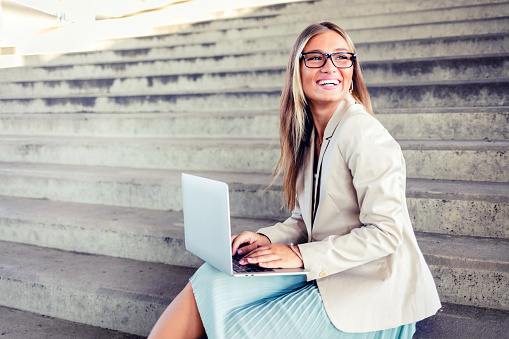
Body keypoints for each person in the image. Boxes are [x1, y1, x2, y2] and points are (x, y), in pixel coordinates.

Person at [148, 22, 441, 339]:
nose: (330, 66)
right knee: (212, 278)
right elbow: (307, 219)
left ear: (353, 70)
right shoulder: (311, 133)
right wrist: (267, 238)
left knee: (246, 329)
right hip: (330, 268)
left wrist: (301, 254)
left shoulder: (364, 134)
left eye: (342, 57)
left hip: (372, 292)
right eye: (316, 57)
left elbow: (386, 233)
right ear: (297, 70)